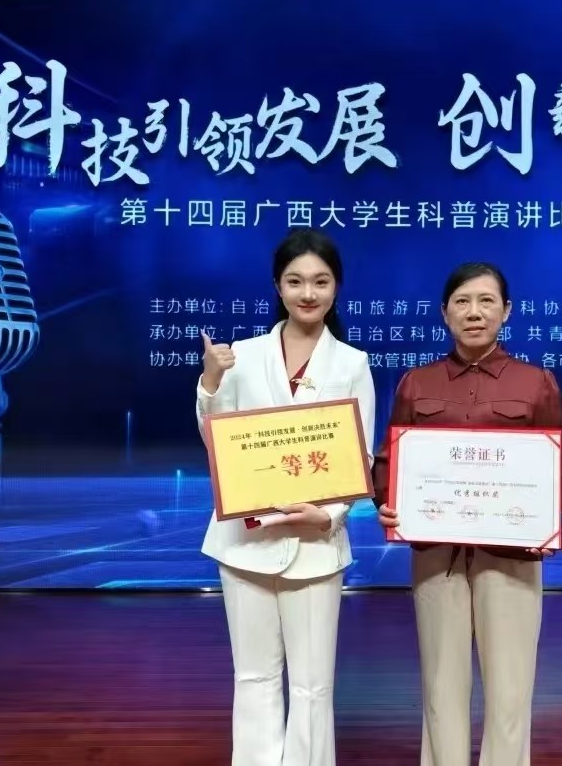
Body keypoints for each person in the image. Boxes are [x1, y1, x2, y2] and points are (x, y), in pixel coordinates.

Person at [373, 262, 562, 766]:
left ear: (506, 311)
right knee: (440, 687)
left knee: (511, 689)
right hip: (436, 555)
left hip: (512, 556)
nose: (474, 312)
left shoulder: (537, 383)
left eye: (487, 301)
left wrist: (545, 517)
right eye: (462, 302)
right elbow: (388, 465)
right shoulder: (416, 383)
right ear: (444, 312)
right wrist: (388, 504)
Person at [196, 229, 376, 766]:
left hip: (316, 544)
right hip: (243, 541)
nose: (308, 293)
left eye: (320, 282)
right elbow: (216, 438)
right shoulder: (240, 356)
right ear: (278, 286)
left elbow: (361, 454)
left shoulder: (352, 362)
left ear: (336, 287)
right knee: (253, 677)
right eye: (295, 282)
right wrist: (210, 381)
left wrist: (329, 514)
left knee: (313, 686)